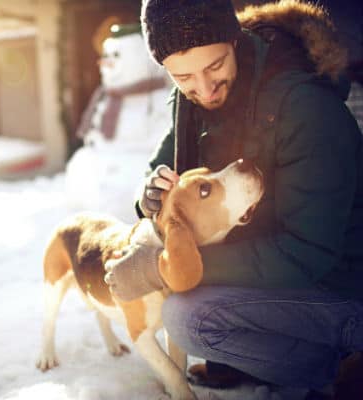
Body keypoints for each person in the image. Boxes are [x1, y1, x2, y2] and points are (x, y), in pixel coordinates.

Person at [103, 0, 363, 398]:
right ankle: (266, 357)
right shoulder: (189, 101)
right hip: (274, 272)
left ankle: (334, 363)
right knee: (187, 298)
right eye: (184, 76)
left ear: (235, 39)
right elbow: (159, 168)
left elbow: (308, 252)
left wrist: (169, 268)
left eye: (215, 66)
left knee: (189, 317)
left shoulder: (305, 108)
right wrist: (150, 192)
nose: (204, 89)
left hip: (339, 283)